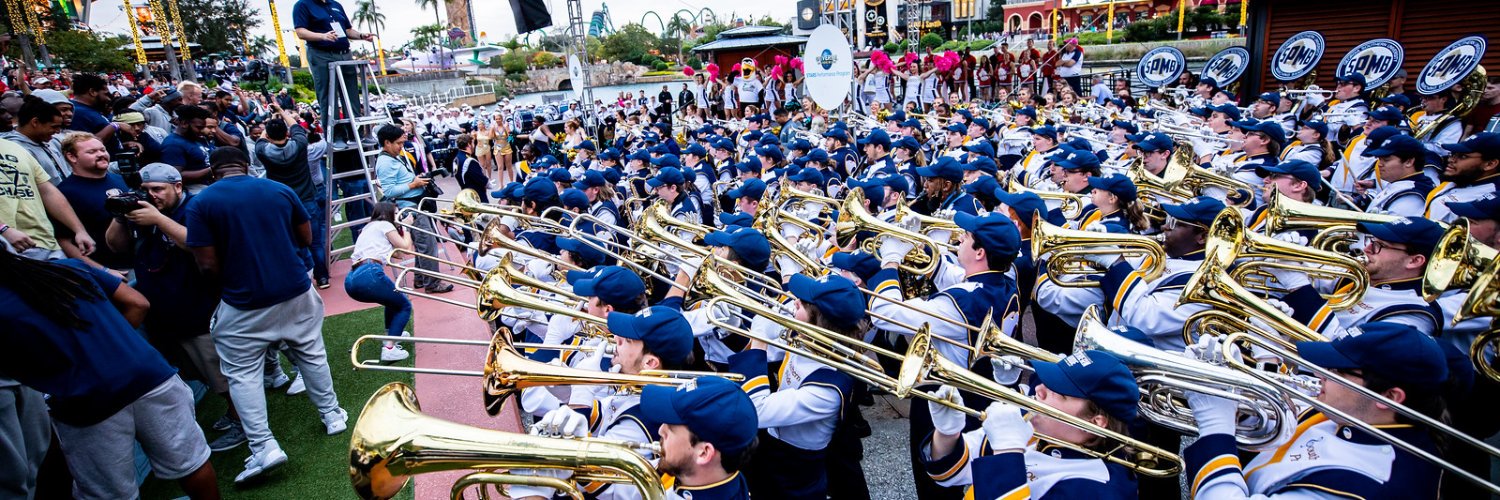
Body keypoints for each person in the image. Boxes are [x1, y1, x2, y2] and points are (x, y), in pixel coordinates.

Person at [0, 251, 222, 500]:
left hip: (89, 404)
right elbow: (138, 303)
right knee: (190, 462)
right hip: (151, 376)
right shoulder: (69, 267)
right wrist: (110, 348)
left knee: (110, 494)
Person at [185, 147, 346, 483]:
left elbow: (207, 264)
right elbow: (305, 236)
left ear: (213, 170)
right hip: (295, 289)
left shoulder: (202, 202)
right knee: (312, 356)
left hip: (243, 302)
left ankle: (264, 447)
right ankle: (332, 415)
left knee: (242, 375)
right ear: (246, 164)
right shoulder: (278, 188)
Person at [1184, 322, 1447, 498]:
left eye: (1336, 371)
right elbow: (1282, 424)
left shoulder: (1362, 485)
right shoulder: (1356, 413)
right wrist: (1251, 377)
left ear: (1389, 397)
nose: (1321, 375)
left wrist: (1214, 426)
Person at [102, 162, 242, 451]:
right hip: (166, 312)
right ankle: (235, 414)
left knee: (222, 374)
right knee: (200, 372)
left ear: (177, 186)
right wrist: (120, 215)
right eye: (145, 189)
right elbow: (115, 246)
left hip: (200, 310)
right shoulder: (141, 213)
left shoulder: (194, 208)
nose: (151, 195)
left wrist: (157, 219)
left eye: (157, 189)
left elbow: (197, 244)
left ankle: (244, 423)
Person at [921, 350, 1141, 499]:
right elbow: (951, 472)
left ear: (1095, 422)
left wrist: (1008, 451)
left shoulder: (1099, 488)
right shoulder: (1035, 430)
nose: (1039, 390)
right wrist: (947, 434)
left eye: (1059, 393)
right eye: (1047, 382)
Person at [373, 123, 452, 294]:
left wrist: (414, 181)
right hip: (409, 207)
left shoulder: (391, 158)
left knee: (423, 243)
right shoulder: (385, 162)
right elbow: (389, 191)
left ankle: (420, 279)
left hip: (413, 204)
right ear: (387, 143)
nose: (402, 147)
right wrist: (413, 184)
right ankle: (432, 284)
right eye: (398, 144)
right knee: (428, 244)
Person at [255, 105, 329, 289]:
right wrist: (281, 110)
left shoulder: (262, 150)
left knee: (290, 241)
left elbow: (262, 137)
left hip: (282, 204)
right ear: (287, 133)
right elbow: (295, 124)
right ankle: (322, 277)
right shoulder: (300, 144)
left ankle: (302, 277)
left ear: (270, 136)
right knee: (315, 241)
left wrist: (271, 121)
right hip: (306, 200)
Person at [0, 134, 93, 261]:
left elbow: (47, 191)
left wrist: (79, 230)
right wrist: (3, 229)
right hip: (8, 248)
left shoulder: (14, 148)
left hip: (46, 245)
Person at [344, 201, 415, 362]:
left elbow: (398, 254)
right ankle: (389, 348)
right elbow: (405, 249)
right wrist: (407, 226)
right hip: (369, 272)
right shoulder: (384, 225)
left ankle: (392, 333)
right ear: (389, 214)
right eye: (397, 214)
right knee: (404, 305)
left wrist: (401, 229)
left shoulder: (370, 228)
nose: (398, 217)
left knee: (394, 299)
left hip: (352, 279)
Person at [54, 133, 131, 272]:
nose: (101, 154)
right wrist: (103, 271)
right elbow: (63, 241)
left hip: (139, 263)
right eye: (92, 152)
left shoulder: (122, 179)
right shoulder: (64, 193)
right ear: (72, 157)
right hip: (109, 270)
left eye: (102, 150)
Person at [292, 0, 376, 115]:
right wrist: (323, 36)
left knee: (351, 94)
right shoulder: (303, 5)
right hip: (322, 55)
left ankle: (355, 130)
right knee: (328, 96)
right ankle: (335, 132)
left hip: (345, 54)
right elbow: (300, 32)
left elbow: (347, 30)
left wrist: (361, 35)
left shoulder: (336, 5)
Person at [1427, 132, 1500, 222]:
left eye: (1463, 156)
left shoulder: (1493, 198)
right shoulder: (1461, 179)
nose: (1451, 160)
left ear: (1490, 164)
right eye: (1453, 154)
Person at [2, 97, 68, 184]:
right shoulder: (13, 150)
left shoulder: (51, 141)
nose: (58, 131)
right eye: (54, 127)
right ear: (35, 122)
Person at [159, 105, 215, 193]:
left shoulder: (195, 138)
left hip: (208, 184)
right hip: (192, 190)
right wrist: (211, 170)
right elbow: (176, 175)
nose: (202, 131)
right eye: (199, 127)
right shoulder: (173, 144)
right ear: (184, 123)